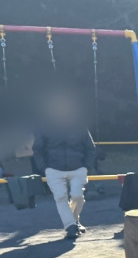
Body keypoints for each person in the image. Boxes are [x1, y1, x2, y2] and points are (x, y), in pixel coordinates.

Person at [32, 90, 97, 240]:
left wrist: (86, 166)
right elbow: (38, 149)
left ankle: (74, 220)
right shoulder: (45, 127)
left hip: (78, 167)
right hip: (54, 169)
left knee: (77, 196)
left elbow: (90, 148)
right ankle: (71, 226)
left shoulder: (79, 126)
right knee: (60, 197)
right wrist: (44, 168)